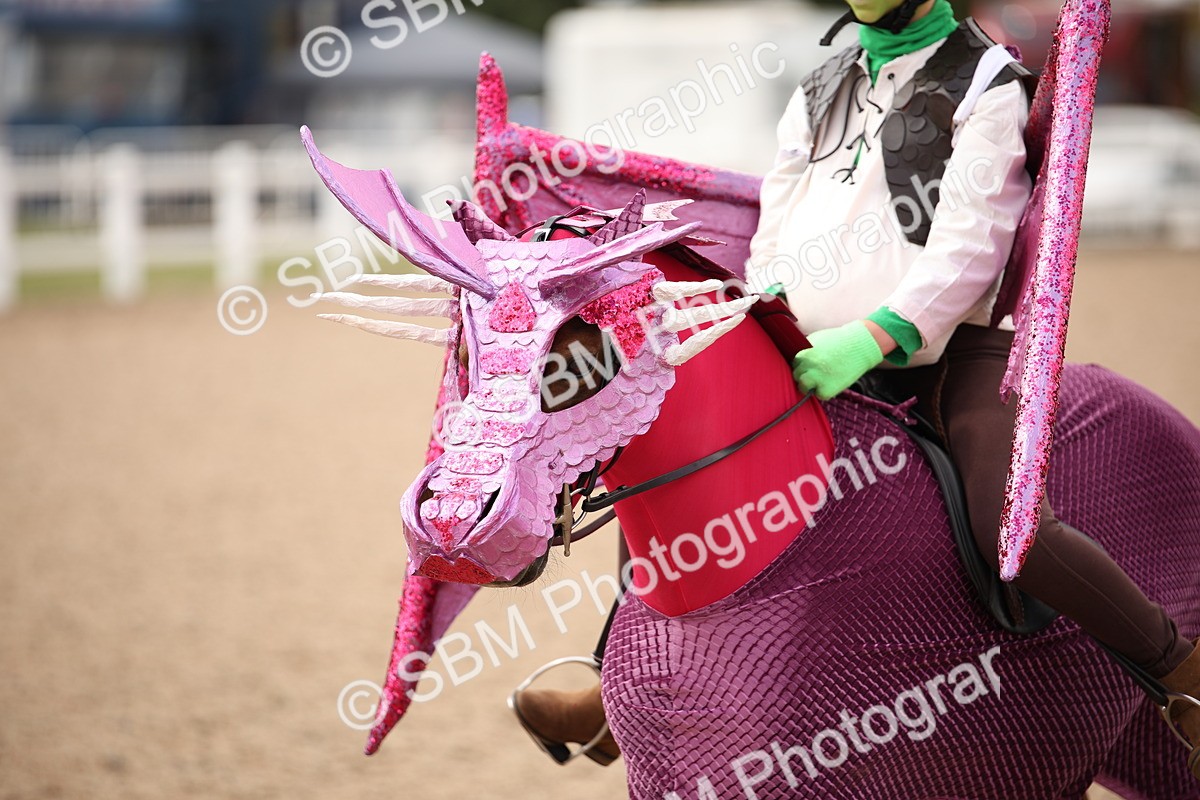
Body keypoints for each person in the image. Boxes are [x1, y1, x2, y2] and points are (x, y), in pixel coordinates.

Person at [513, 0, 1200, 779]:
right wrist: (766, 313)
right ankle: (614, 681)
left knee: (1010, 523)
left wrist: (879, 333)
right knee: (664, 456)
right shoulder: (823, 80)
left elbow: (973, 244)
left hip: (947, 356)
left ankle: (1181, 677)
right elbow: (778, 217)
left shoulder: (987, 82)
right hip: (805, 346)